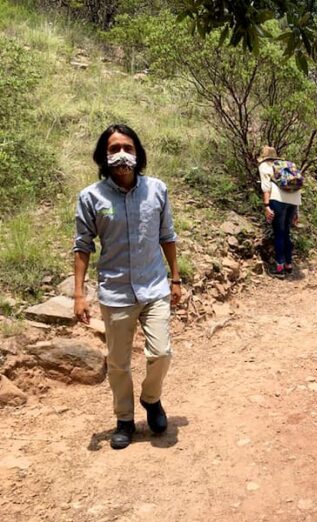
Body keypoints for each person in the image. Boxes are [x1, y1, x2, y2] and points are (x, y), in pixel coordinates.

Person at [73, 124, 180, 450]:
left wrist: (175, 279)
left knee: (161, 352)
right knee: (118, 362)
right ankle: (123, 419)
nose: (121, 154)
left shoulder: (157, 190)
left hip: (154, 286)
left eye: (128, 148)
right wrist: (79, 294)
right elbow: (83, 245)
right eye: (114, 148)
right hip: (116, 291)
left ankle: (151, 399)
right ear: (104, 156)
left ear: (138, 153)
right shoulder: (91, 197)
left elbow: (168, 236)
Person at [257, 145, 301, 277]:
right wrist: (297, 210)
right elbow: (296, 187)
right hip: (294, 201)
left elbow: (266, 187)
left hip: (278, 200)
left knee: (279, 232)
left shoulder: (264, 166)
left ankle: (280, 267)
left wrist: (266, 206)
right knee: (286, 231)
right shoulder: (285, 165)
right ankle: (289, 264)